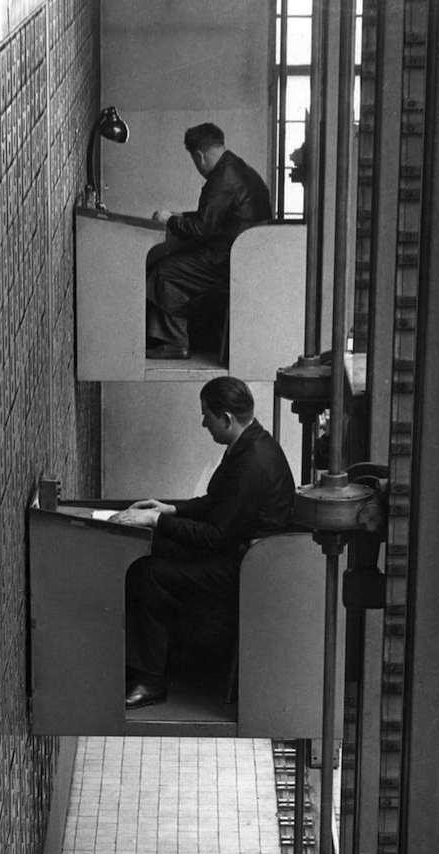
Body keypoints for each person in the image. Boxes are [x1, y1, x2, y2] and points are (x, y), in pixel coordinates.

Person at [111, 376, 295, 710]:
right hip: (238, 554)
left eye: (206, 416)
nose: (202, 423)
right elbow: (215, 503)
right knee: (153, 554)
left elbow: (215, 536)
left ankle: (151, 680)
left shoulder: (252, 463)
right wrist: (171, 509)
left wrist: (158, 522)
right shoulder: (250, 443)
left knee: (147, 574)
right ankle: (142, 664)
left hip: (243, 569)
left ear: (225, 418)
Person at [146, 122, 272, 360]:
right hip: (244, 256)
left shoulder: (222, 178)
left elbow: (202, 229)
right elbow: (217, 218)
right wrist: (180, 216)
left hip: (226, 260)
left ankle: (175, 342)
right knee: (170, 262)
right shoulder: (239, 169)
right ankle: (173, 336)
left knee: (163, 271)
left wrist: (169, 220)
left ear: (199, 156)